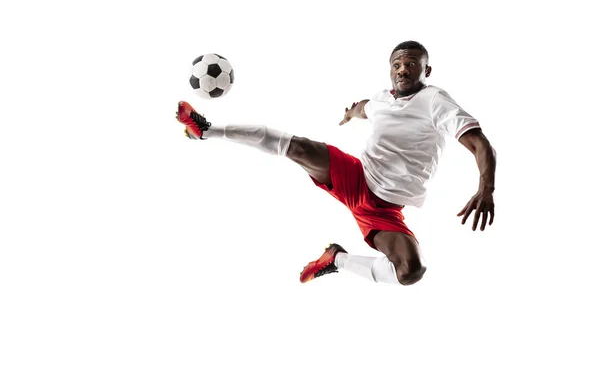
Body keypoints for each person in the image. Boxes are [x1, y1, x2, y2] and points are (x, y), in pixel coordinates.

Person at [175, 40, 496, 286]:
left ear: (426, 71)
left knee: (412, 271)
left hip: (385, 209)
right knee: (299, 147)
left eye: (411, 63)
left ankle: (337, 259)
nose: (402, 69)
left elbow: (481, 144)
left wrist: (485, 189)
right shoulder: (383, 99)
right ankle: (206, 131)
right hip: (357, 176)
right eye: (397, 63)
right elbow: (365, 107)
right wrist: (351, 113)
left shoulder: (435, 101)